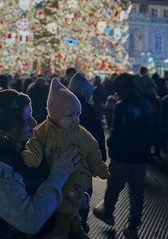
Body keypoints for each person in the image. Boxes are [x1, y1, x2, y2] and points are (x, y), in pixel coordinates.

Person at [0, 89, 88, 239]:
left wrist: (81, 200)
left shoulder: (29, 144)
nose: (35, 123)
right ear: (4, 133)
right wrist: (60, 173)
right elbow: (30, 221)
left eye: (31, 115)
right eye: (26, 121)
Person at [22, 78, 110, 239]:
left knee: (68, 196)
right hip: (58, 177)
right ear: (55, 115)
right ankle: (76, 226)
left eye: (78, 114)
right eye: (70, 115)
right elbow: (35, 144)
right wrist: (32, 156)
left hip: (78, 174)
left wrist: (99, 166)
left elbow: (93, 150)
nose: (76, 119)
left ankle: (60, 232)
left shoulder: (81, 132)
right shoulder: (43, 131)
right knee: (65, 200)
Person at [93, 73, 153, 239]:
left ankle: (108, 212)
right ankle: (132, 227)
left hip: (123, 156)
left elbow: (117, 131)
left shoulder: (122, 105)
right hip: (140, 156)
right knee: (137, 193)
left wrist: (111, 144)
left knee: (113, 187)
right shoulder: (145, 104)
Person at [68, 72, 107, 233]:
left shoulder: (63, 106)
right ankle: (80, 225)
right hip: (84, 161)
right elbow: (98, 136)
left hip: (65, 159)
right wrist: (101, 159)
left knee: (66, 193)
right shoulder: (89, 109)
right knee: (83, 193)